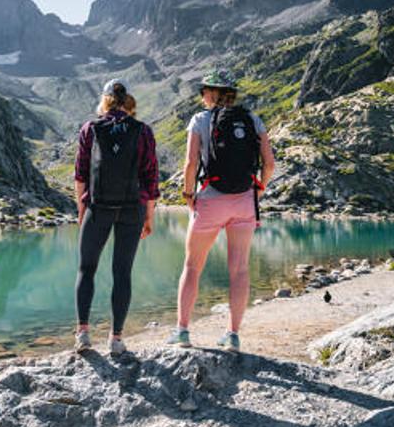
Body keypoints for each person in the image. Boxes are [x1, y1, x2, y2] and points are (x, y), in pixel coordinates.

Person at [167, 70, 275, 352]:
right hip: (244, 201)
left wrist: (188, 194)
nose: (202, 97)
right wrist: (257, 191)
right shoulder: (251, 119)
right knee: (239, 269)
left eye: (203, 92)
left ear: (210, 93)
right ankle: (233, 335)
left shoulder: (200, 120)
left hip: (210, 199)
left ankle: (182, 331)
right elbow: (270, 164)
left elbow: (191, 163)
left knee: (192, 267)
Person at [73, 78, 160, 356]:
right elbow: (150, 177)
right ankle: (116, 339)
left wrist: (82, 209)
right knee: (122, 273)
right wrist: (149, 216)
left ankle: (83, 334)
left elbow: (81, 175)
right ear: (128, 102)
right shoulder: (143, 131)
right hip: (132, 208)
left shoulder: (90, 128)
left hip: (98, 207)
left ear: (105, 101)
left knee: (87, 269)